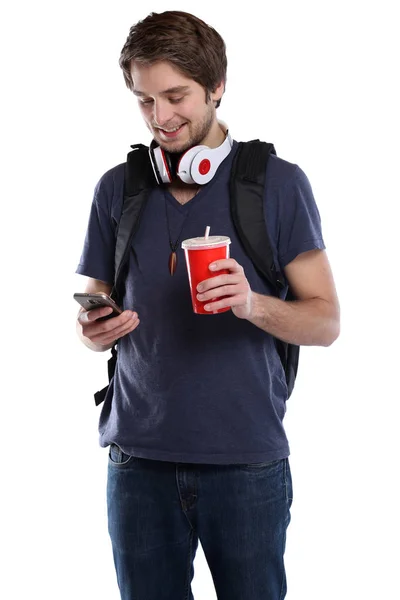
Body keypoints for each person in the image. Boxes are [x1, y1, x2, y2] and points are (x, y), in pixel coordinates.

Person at [75, 10, 340, 600]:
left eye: (176, 96)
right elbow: (94, 304)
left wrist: (253, 304)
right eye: (145, 101)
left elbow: (325, 321)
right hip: (135, 463)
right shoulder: (117, 187)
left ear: (217, 87)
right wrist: (93, 329)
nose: (161, 118)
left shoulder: (278, 184)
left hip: (246, 463)